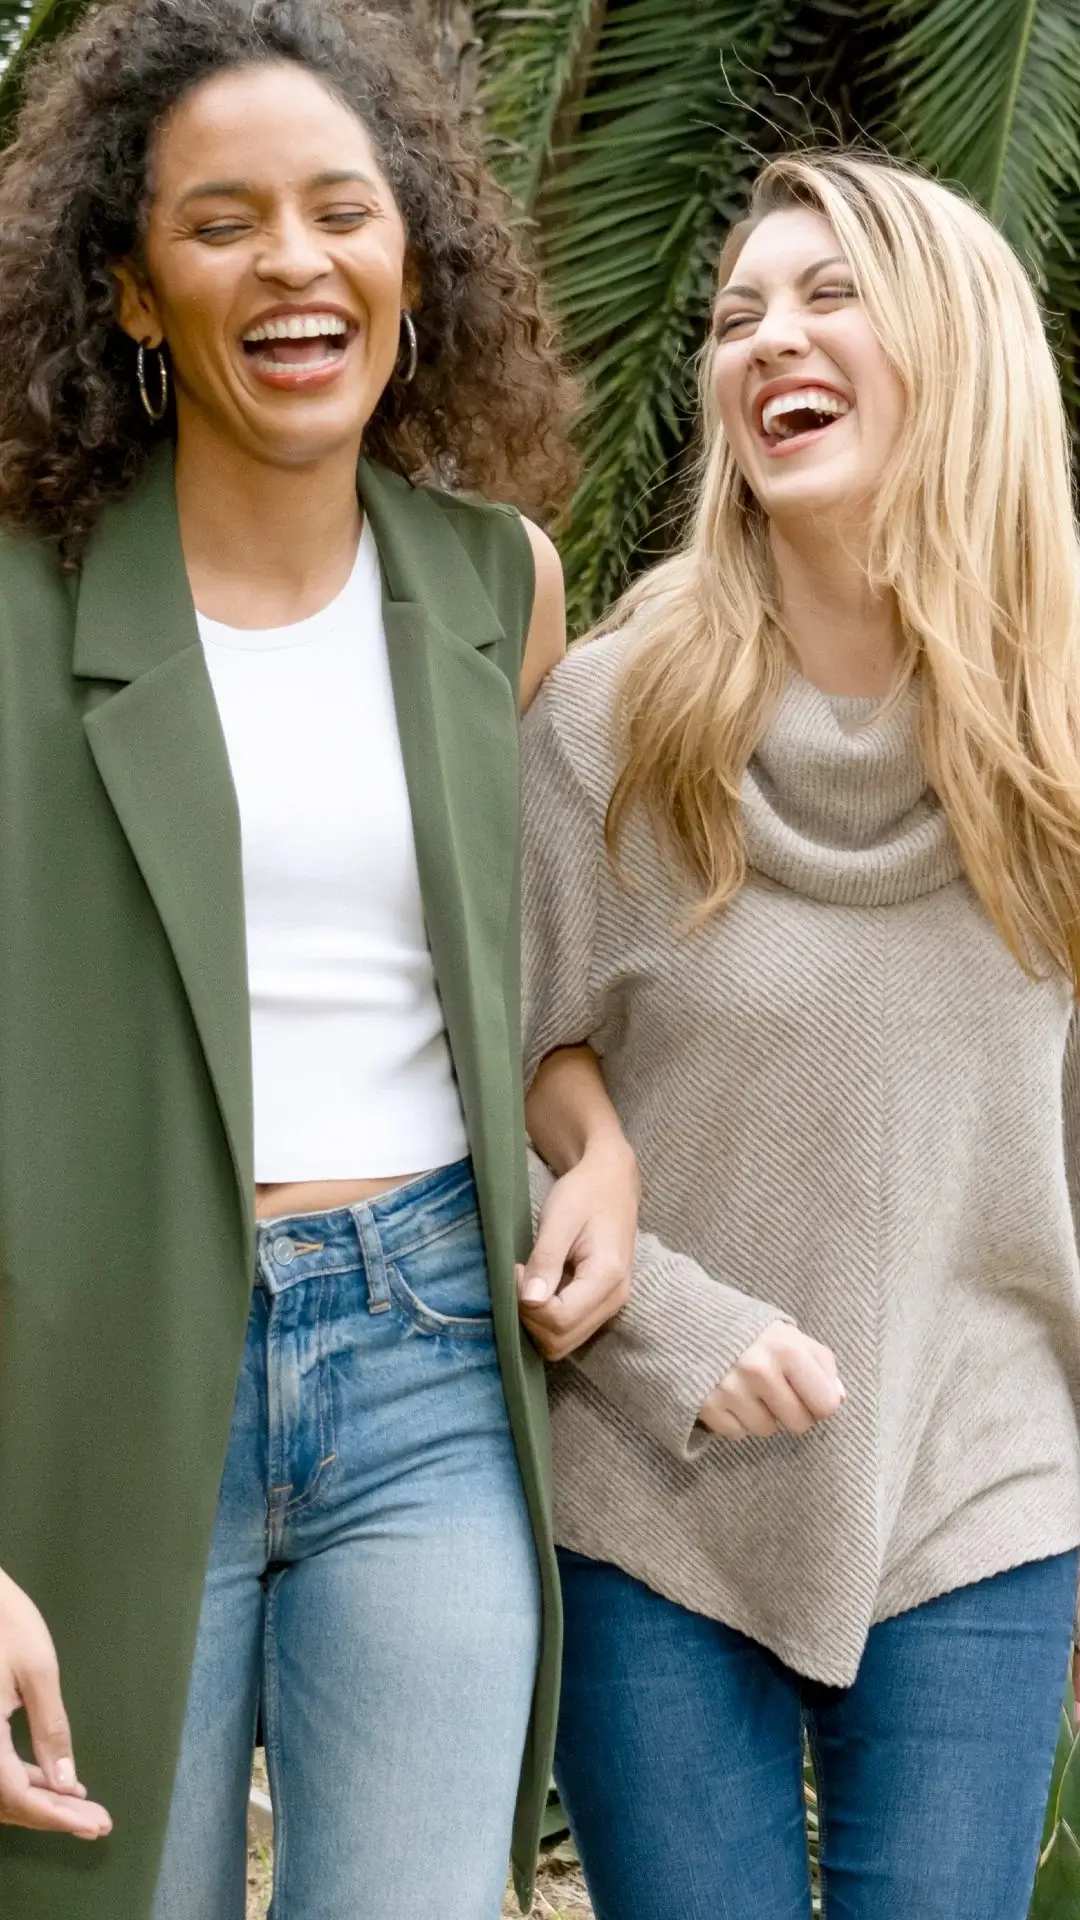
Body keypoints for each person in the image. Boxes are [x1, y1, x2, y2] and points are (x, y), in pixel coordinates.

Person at [0, 3, 628, 1916]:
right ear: (126, 291)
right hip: (96, 1377)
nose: (293, 260)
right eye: (221, 221)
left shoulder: (498, 586)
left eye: (341, 210)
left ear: (410, 256)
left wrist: (592, 1145)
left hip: (431, 1348)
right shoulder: (19, 613)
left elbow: (492, 974)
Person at [519, 149, 1080, 1920]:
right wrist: (674, 1324)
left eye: (830, 295)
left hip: (981, 1480)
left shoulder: (1060, 749)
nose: (769, 340)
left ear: (960, 352)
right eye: (737, 313)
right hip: (661, 1479)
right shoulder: (620, 719)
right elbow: (506, 1055)